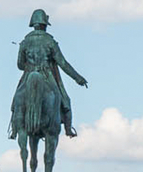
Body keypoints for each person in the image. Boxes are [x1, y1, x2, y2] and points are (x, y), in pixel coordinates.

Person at [10, 9, 87, 139]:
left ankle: (14, 129)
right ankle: (68, 129)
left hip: (29, 74)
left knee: (16, 101)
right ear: (44, 25)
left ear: (33, 24)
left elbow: (19, 65)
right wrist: (78, 78)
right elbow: (63, 63)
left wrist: (30, 67)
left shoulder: (25, 42)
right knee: (66, 101)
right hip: (47, 75)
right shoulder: (50, 41)